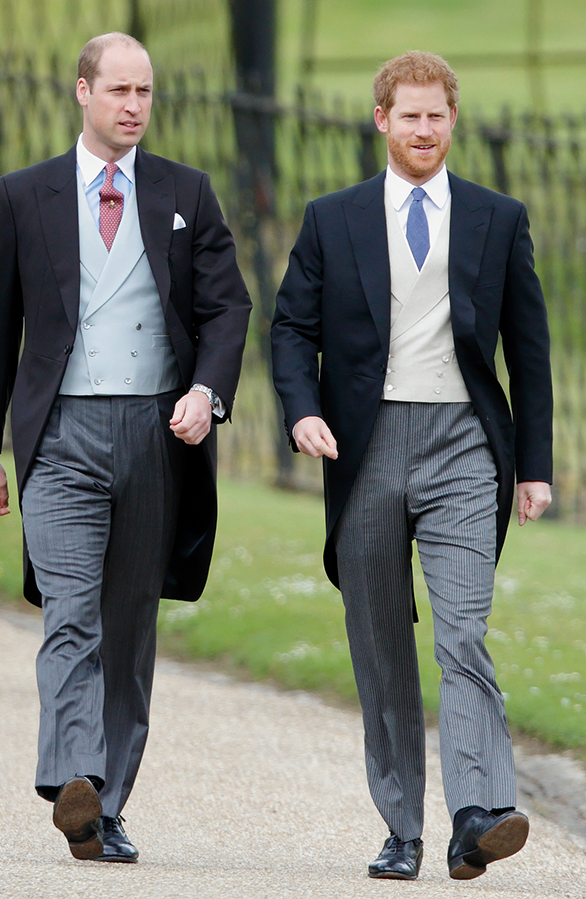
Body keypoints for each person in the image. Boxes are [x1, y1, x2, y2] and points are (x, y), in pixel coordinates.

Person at [0, 32, 251, 863]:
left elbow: (228, 310)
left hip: (156, 434)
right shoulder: (26, 195)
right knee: (70, 615)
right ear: (82, 92)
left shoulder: (186, 193)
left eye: (146, 92)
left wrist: (206, 391)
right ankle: (73, 774)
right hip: (59, 435)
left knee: (128, 629)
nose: (134, 105)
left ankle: (104, 807)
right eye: (119, 90)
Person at [271, 51, 552, 882]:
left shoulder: (499, 218)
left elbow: (529, 353)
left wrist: (533, 465)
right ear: (381, 120)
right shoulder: (333, 217)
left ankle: (478, 812)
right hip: (364, 448)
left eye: (438, 115)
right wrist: (303, 409)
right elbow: (290, 330)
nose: (425, 129)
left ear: (452, 121)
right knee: (381, 641)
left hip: (466, 443)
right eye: (410, 115)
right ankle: (401, 826)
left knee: (464, 631)